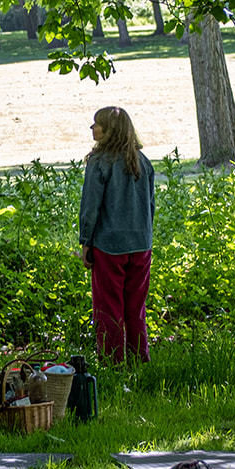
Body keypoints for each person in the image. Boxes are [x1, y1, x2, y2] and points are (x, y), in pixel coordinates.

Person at [78, 106, 156, 363]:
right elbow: (151, 206)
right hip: (141, 245)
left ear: (110, 131)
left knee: (108, 307)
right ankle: (138, 358)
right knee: (136, 307)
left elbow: (91, 207)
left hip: (109, 246)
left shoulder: (99, 162)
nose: (92, 128)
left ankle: (112, 361)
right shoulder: (143, 161)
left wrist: (86, 241)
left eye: (97, 124)